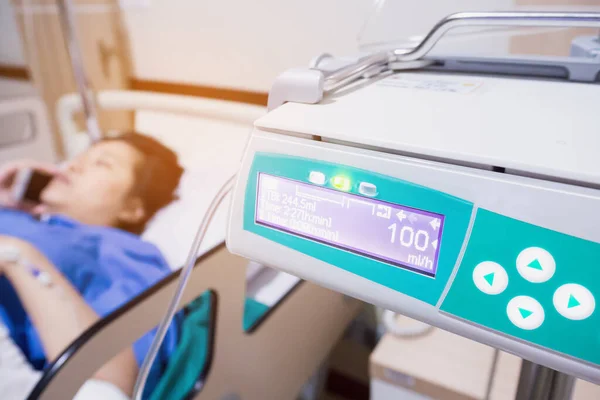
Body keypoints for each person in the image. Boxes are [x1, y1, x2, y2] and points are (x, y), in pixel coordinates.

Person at [0, 132, 184, 398]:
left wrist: (17, 255)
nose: (72, 165)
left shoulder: (126, 254)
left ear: (132, 208)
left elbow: (117, 377)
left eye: (102, 163)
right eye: (80, 157)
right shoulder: (26, 218)